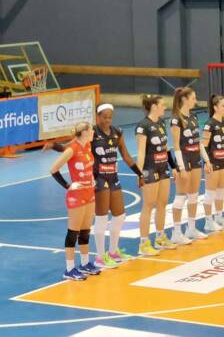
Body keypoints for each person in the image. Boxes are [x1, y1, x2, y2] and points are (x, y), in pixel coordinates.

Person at [47, 103, 143, 269]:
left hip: (113, 175)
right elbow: (68, 148)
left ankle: (113, 251)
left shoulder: (117, 132)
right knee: (101, 217)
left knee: (120, 215)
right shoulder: (91, 133)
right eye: (104, 117)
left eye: (110, 117)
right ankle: (100, 256)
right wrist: (53, 145)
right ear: (98, 117)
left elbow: (126, 155)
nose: (107, 120)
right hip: (98, 178)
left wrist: (139, 173)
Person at [49, 122, 101, 280]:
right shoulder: (72, 149)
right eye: (91, 130)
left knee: (85, 231)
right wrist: (68, 185)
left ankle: (85, 264)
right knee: (73, 232)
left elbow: (90, 167)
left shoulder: (88, 146)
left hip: (89, 192)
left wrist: (93, 179)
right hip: (76, 195)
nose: (93, 132)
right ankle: (69, 269)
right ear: (85, 132)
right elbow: (53, 169)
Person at [136, 95, 179, 255]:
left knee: (162, 203)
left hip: (163, 168)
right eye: (162, 105)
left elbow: (165, 148)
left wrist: (173, 166)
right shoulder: (143, 126)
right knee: (148, 205)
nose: (165, 107)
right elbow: (141, 153)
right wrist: (139, 174)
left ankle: (160, 237)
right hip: (149, 169)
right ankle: (143, 243)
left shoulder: (161, 123)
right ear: (154, 106)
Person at [170, 87, 211, 242]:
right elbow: (176, 145)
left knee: (194, 195)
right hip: (184, 159)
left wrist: (206, 159)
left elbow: (198, 141)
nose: (196, 100)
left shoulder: (193, 117)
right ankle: (176, 233)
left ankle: (191, 229)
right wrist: (181, 167)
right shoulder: (176, 119)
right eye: (193, 98)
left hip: (195, 159)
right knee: (181, 196)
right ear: (184, 99)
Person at [201, 94, 224, 228]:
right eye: (223, 105)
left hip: (223, 160)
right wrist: (206, 162)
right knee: (210, 192)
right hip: (212, 161)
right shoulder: (209, 124)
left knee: (221, 190)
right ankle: (208, 222)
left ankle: (219, 217)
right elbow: (204, 146)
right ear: (215, 107)